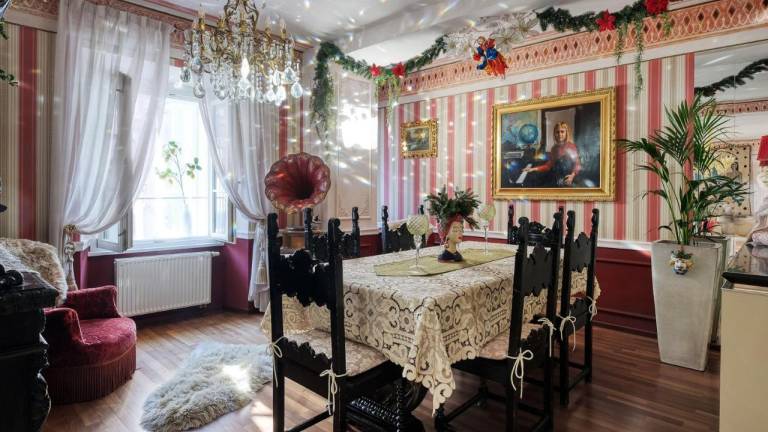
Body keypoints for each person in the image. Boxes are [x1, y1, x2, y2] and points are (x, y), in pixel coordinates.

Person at [523, 121, 581, 186]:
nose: (560, 134)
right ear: (555, 134)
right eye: (557, 132)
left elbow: (577, 165)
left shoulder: (571, 146)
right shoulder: (554, 148)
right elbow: (549, 165)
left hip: (568, 178)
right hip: (556, 177)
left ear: (566, 133)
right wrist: (533, 169)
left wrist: (572, 176)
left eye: (562, 132)